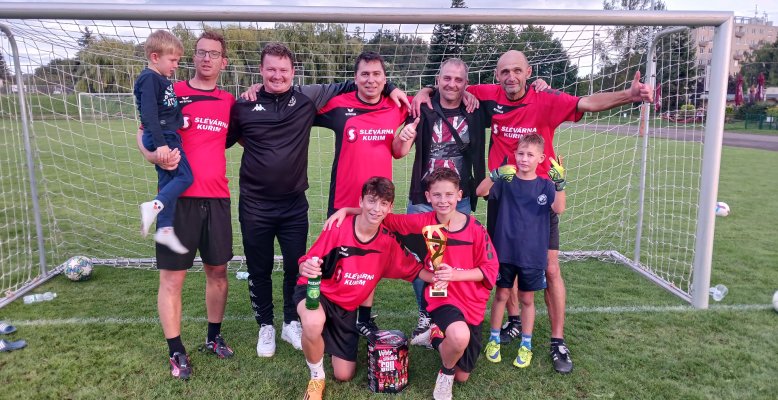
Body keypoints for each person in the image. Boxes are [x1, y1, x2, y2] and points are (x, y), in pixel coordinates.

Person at [413, 49, 653, 374]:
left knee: (551, 269)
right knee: (503, 265)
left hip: (540, 199)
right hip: (503, 197)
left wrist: (629, 95)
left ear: (528, 72)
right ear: (496, 76)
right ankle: (513, 322)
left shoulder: (545, 98)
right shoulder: (488, 95)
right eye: (504, 72)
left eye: (516, 70)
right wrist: (424, 90)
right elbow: (452, 90)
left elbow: (586, 103)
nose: (510, 77)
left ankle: (557, 340)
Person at [227, 44, 408, 358]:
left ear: (293, 72)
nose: (277, 75)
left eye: (283, 69)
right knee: (278, 266)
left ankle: (301, 322)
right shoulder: (255, 105)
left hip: (316, 204)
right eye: (270, 69)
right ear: (261, 70)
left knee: (327, 263)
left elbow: (379, 92)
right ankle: (271, 324)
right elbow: (233, 136)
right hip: (282, 204)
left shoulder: (311, 99)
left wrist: (395, 87)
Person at [327, 167, 499, 400]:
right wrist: (347, 210)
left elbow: (490, 269)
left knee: (464, 375)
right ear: (428, 197)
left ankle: (436, 336)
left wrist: (456, 275)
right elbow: (385, 217)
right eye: (437, 195)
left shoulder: (476, 229)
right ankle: (444, 375)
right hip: (442, 297)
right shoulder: (424, 221)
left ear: (459, 195)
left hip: (471, 301)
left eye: (449, 195)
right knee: (458, 339)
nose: (443, 200)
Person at [136, 31, 235, 380]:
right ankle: (176, 350)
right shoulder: (170, 89)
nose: (207, 58)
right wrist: (153, 155)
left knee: (218, 273)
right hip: (177, 203)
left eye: (215, 54)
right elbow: (143, 130)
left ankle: (213, 337)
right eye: (201, 52)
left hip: (217, 199)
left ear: (224, 62)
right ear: (194, 57)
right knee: (172, 278)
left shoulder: (229, 101)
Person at [295, 177, 436, 400]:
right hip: (318, 293)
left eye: (383, 204)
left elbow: (414, 270)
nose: (376, 208)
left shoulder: (388, 243)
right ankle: (316, 378)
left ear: (390, 208)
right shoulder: (339, 227)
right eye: (371, 201)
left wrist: (442, 275)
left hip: (346, 309)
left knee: (344, 374)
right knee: (312, 322)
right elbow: (306, 261)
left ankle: (324, 336)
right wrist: (307, 266)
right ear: (361, 201)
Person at [313, 51, 414, 337]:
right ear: (355, 77)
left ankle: (365, 319)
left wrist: (403, 139)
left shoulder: (397, 108)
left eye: (377, 74)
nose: (371, 80)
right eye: (365, 74)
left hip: (378, 205)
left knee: (371, 260)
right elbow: (301, 106)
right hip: (343, 200)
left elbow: (397, 151)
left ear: (385, 78)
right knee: (336, 261)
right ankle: (332, 314)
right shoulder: (337, 105)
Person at [476, 133, 566, 369]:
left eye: (530, 155)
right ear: (515, 155)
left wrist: (560, 184)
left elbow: (559, 208)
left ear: (541, 158)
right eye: (521, 154)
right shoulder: (506, 181)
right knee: (502, 295)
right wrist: (494, 175)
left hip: (532, 255)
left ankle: (526, 345)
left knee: (527, 298)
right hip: (505, 251)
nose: (524, 159)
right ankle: (494, 339)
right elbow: (480, 191)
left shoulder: (546, 184)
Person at [135, 29, 191, 255]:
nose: (176, 65)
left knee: (168, 183)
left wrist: (181, 121)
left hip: (168, 133)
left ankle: (165, 229)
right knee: (185, 176)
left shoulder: (161, 79)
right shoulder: (149, 78)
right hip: (163, 137)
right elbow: (149, 114)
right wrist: (160, 145)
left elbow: (165, 108)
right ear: (155, 57)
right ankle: (154, 205)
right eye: (173, 60)